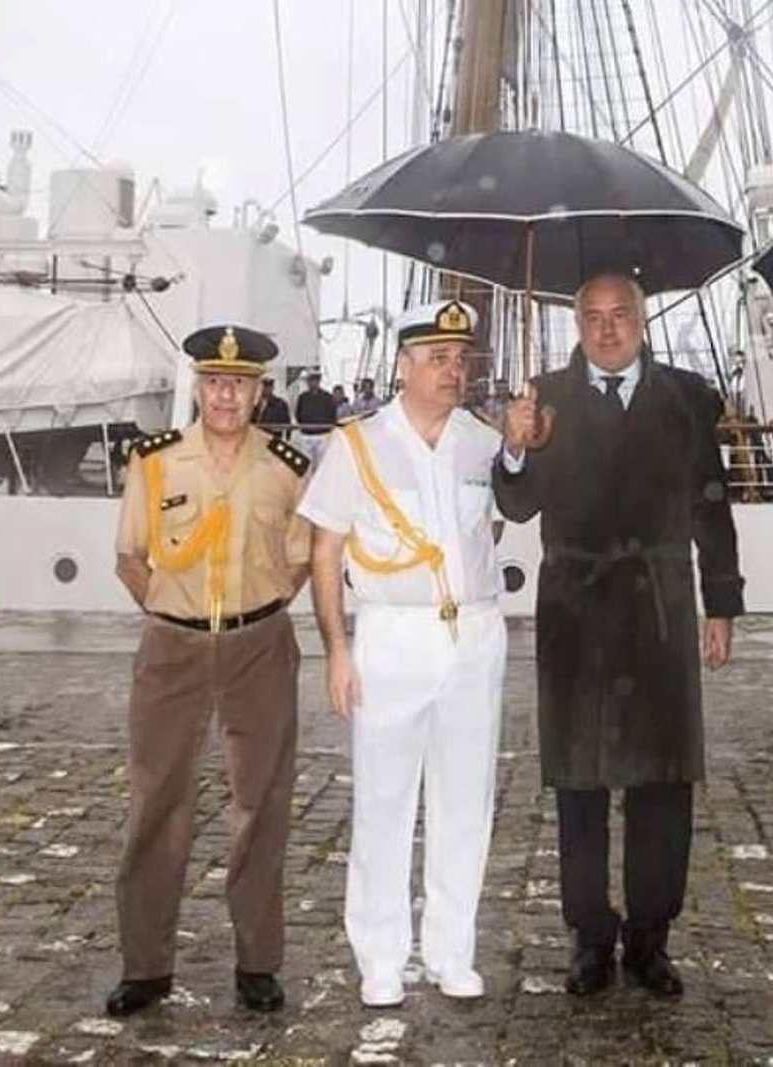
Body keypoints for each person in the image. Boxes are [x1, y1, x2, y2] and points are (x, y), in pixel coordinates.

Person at [496, 272, 744, 999]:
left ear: (643, 319)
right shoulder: (543, 399)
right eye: (594, 318)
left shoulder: (688, 399)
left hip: (660, 604)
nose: (607, 331)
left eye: (621, 316)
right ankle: (590, 937)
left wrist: (721, 604)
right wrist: (517, 449)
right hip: (575, 607)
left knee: (663, 782)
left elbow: (713, 506)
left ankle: (650, 936)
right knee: (578, 783)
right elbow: (515, 504)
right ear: (577, 325)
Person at [299, 299, 508, 1008]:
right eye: (439, 358)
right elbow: (324, 550)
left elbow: (500, 522)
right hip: (392, 633)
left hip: (474, 633)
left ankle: (452, 949)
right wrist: (336, 647)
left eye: (461, 359)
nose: (454, 371)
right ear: (405, 365)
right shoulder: (357, 445)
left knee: (466, 800)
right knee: (385, 800)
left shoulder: (482, 441)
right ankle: (381, 954)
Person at [106, 324, 313, 1017]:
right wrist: (171, 610)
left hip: (259, 646)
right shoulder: (156, 461)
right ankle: (145, 967)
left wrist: (265, 608)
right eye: (216, 381)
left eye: (241, 382)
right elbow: (130, 556)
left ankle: (258, 962)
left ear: (260, 392)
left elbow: (301, 555)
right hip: (174, 648)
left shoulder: (285, 466)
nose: (227, 394)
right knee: (157, 802)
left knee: (263, 805)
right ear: (199, 387)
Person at [295, 369, 340, 462]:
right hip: (306, 434)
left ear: (318, 381)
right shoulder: (303, 397)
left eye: (314, 380)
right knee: (306, 462)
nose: (312, 383)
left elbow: (332, 414)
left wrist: (329, 427)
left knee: (322, 462)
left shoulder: (327, 397)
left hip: (322, 434)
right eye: (310, 381)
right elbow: (298, 414)